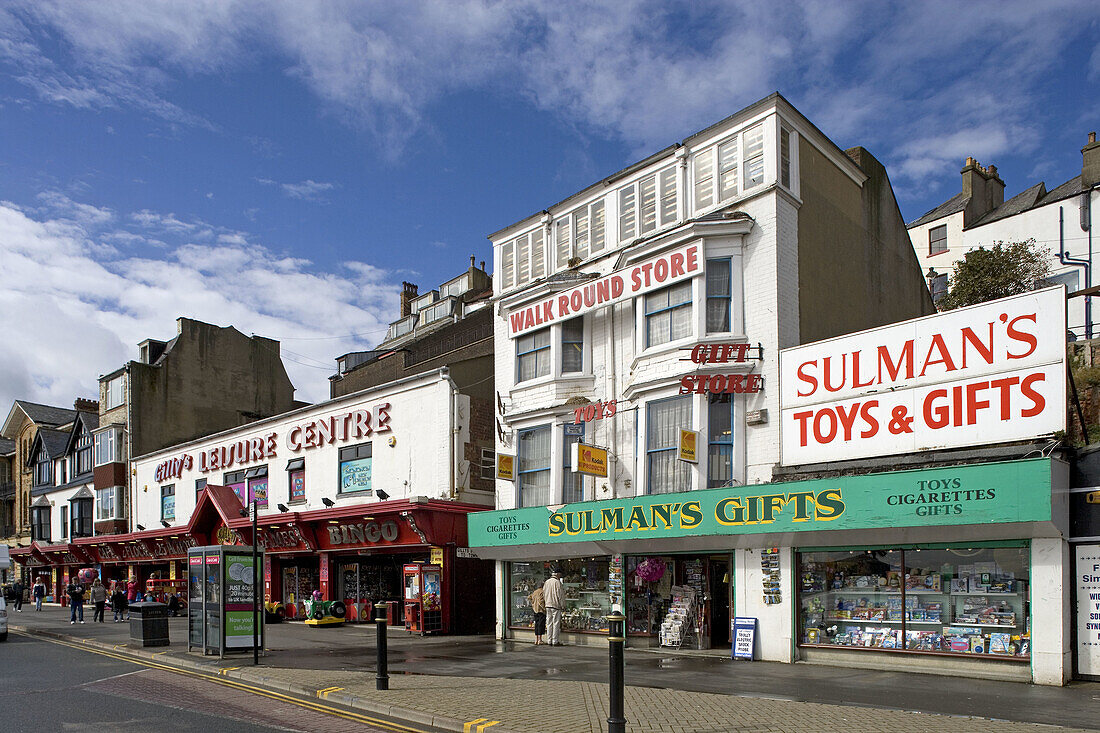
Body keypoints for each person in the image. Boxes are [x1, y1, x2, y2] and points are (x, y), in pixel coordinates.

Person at [542, 569, 565, 646]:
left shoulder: (547, 582)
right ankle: (555, 641)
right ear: (557, 574)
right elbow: (560, 595)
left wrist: (546, 602)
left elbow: (544, 593)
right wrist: (562, 605)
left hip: (548, 604)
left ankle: (549, 640)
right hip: (555, 605)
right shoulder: (557, 582)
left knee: (549, 623)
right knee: (556, 623)